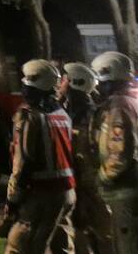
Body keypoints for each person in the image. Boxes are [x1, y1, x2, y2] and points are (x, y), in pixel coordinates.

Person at [90, 51, 138, 254]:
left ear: (108, 79)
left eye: (100, 81)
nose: (97, 87)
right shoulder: (137, 105)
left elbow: (119, 156)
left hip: (129, 201)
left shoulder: (117, 109)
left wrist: (100, 179)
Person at [0, 59, 76, 254]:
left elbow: (23, 162)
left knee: (20, 246)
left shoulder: (29, 116)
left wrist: (13, 199)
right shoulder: (62, 114)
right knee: (61, 246)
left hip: (40, 194)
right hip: (67, 192)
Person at [50, 62, 112, 254]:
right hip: (86, 182)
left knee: (94, 234)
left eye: (64, 80)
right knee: (97, 234)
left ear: (73, 83)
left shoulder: (80, 114)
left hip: (86, 183)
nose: (60, 84)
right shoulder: (88, 111)